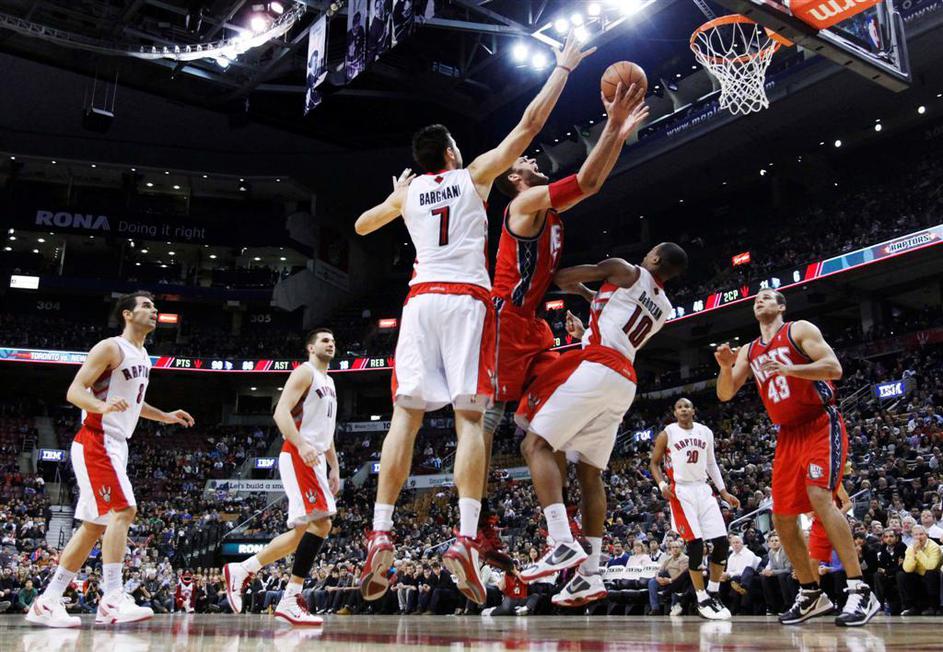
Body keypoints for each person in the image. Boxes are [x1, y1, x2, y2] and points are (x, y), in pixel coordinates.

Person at [353, 32, 595, 606]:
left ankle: (380, 531)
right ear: (453, 155)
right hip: (465, 301)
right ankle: (464, 536)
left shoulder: (409, 195)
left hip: (418, 304)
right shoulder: (475, 177)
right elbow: (529, 127)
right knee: (469, 421)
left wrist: (394, 200)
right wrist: (561, 68)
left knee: (404, 422)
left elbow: (362, 226)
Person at [478, 81, 649, 568]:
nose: (529, 158)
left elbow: (592, 185)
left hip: (533, 325)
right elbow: (589, 184)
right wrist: (613, 127)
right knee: (489, 421)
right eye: (522, 162)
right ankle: (478, 523)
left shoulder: (549, 215)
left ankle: (565, 539)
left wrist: (618, 136)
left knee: (539, 427)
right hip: (505, 321)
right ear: (514, 180)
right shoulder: (524, 206)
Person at [517, 242, 688, 610]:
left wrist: (571, 277)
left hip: (597, 367)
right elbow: (618, 312)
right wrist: (588, 308)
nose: (646, 253)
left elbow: (562, 278)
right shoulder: (664, 306)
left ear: (655, 258)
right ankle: (589, 573)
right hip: (623, 380)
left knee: (535, 445)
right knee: (590, 474)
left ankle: (560, 540)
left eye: (651, 251)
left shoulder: (624, 268)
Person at [26, 291, 194, 628]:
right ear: (127, 314)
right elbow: (75, 391)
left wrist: (166, 416)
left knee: (93, 527)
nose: (154, 310)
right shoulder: (110, 347)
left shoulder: (144, 356)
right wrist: (101, 407)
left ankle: (47, 601)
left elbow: (133, 404)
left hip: (117, 443)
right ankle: (113, 598)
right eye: (146, 306)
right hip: (96, 440)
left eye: (154, 307)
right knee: (124, 509)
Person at [714, 288, 880, 627]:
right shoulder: (749, 349)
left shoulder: (799, 329)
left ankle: (860, 588)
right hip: (787, 434)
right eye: (755, 299)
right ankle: (810, 593)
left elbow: (833, 368)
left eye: (766, 297)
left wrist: (791, 370)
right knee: (782, 516)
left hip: (820, 422)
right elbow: (726, 393)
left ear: (781, 306)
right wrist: (726, 366)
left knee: (821, 496)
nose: (758, 301)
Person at [224, 329, 341, 626]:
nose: (330, 344)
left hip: (314, 457)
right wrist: (302, 445)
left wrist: (335, 467)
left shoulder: (330, 382)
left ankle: (242, 569)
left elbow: (326, 432)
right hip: (299, 454)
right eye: (324, 340)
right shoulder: (305, 372)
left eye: (333, 341)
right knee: (322, 522)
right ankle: (290, 597)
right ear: (311, 347)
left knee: (302, 533)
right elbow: (280, 413)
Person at [649, 398, 740, 620]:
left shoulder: (705, 432)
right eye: (680, 407)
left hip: (703, 489)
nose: (684, 409)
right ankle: (701, 598)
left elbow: (711, 464)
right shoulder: (668, 433)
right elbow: (654, 463)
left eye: (687, 406)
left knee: (720, 542)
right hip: (681, 492)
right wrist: (662, 485)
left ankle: (713, 593)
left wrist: (723, 491)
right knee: (696, 544)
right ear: (675, 411)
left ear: (693, 410)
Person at [897, 525, 941, 615]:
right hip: (918, 575)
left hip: (932, 575)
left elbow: (931, 566)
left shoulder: (934, 547)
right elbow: (907, 569)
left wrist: (919, 552)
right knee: (902, 575)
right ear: (913, 536)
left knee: (930, 574)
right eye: (916, 535)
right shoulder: (910, 548)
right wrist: (914, 552)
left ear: (926, 535)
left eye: (921, 534)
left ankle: (933, 606)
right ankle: (913, 607)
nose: (919, 537)